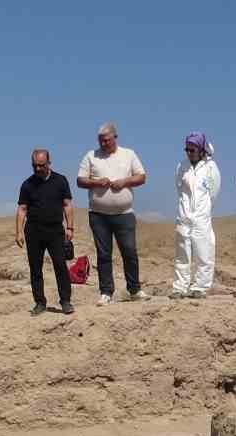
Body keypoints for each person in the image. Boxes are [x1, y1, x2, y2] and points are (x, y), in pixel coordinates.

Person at [77, 123, 148, 305]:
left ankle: (134, 289)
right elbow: (80, 180)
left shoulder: (128, 154)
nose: (104, 143)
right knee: (104, 254)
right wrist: (96, 182)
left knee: (129, 251)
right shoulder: (91, 156)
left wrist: (124, 182)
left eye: (107, 140)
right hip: (99, 215)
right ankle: (106, 292)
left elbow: (141, 176)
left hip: (124, 213)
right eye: (101, 141)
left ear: (115, 138)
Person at [16, 149, 75, 316]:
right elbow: (22, 209)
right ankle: (40, 302)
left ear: (49, 163)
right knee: (35, 268)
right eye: (34, 165)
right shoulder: (27, 184)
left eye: (41, 165)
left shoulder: (60, 180)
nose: (37, 169)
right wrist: (19, 232)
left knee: (60, 265)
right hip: (33, 230)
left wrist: (70, 227)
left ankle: (65, 301)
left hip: (55, 230)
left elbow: (67, 204)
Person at [171, 133, 222, 299]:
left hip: (201, 217)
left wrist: (203, 210)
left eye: (192, 149)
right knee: (182, 254)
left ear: (201, 150)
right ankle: (180, 287)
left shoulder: (210, 167)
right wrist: (185, 210)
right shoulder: (182, 166)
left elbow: (213, 193)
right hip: (184, 216)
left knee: (204, 251)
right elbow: (180, 189)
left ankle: (200, 287)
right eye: (187, 149)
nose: (189, 152)